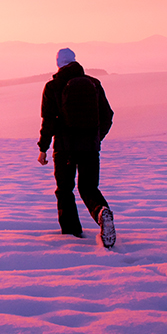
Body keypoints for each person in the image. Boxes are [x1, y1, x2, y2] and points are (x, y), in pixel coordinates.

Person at [37, 47, 117, 247]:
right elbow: (107, 115)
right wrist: (96, 138)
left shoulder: (53, 86)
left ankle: (72, 236)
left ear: (58, 63)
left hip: (65, 148)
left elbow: (48, 121)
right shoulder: (94, 84)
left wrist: (43, 148)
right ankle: (101, 212)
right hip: (90, 148)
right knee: (89, 187)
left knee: (65, 189)